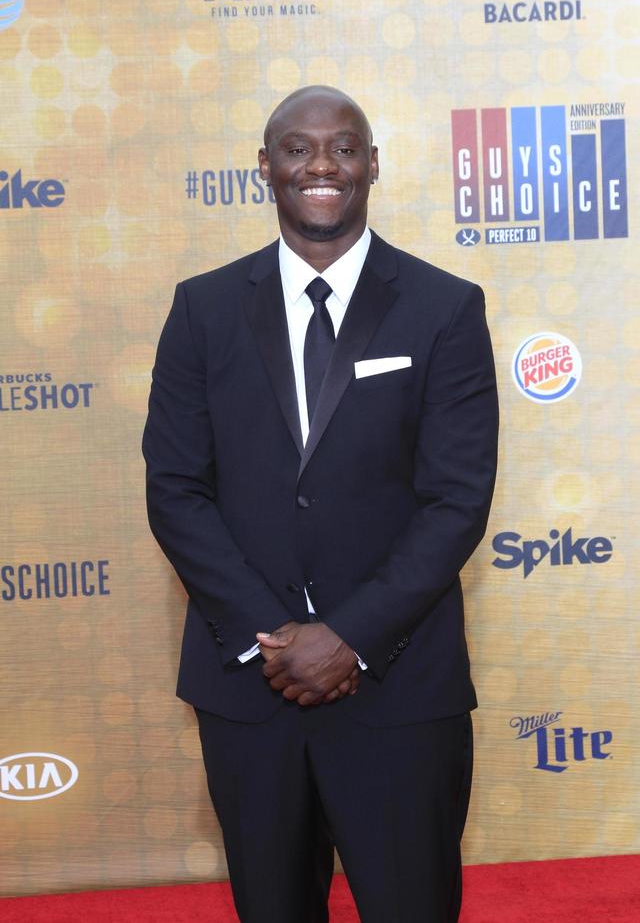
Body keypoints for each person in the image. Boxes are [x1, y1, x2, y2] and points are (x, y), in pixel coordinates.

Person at [143, 85, 499, 923]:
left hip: (399, 688)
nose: (321, 167)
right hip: (252, 690)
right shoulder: (203, 309)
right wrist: (275, 639)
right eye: (297, 150)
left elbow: (455, 500)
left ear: (372, 165)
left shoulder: (445, 307)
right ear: (264, 166)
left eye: (343, 148)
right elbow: (175, 489)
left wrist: (349, 638)